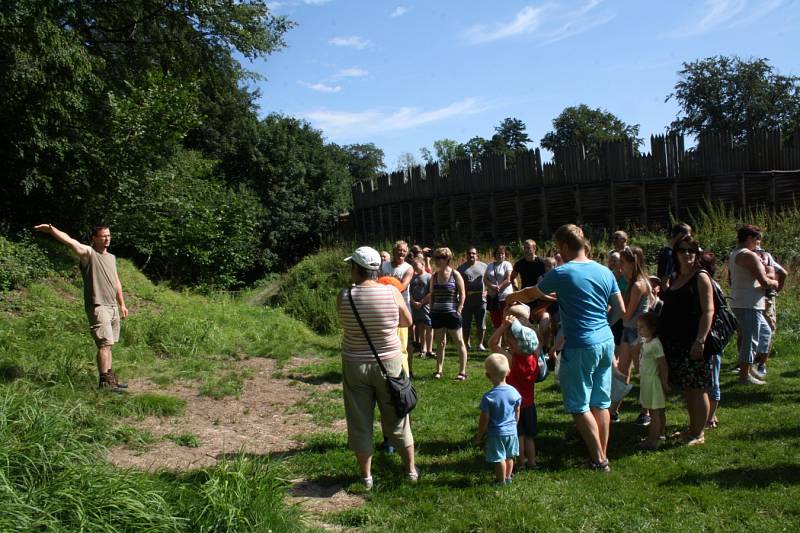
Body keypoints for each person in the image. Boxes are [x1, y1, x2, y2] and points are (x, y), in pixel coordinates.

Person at [506, 224, 624, 471]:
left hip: (581, 344)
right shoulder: (605, 271)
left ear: (565, 246)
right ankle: (600, 456)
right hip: (605, 341)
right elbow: (620, 310)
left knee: (579, 406)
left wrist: (512, 297)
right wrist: (604, 325)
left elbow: (532, 294)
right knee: (601, 402)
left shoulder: (563, 272)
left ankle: (599, 459)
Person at [337, 246, 418, 489]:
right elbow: (407, 321)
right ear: (376, 270)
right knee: (398, 418)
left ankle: (366, 477)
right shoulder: (392, 293)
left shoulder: (344, 295)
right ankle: (411, 470)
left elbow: (344, 321)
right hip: (389, 363)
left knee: (359, 420)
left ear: (355, 269)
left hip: (354, 363)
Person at [33, 224, 129, 390]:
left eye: (109, 236)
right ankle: (104, 382)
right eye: (103, 236)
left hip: (112, 306)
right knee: (104, 344)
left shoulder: (111, 258)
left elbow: (116, 282)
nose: (107, 239)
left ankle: (110, 379)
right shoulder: (88, 254)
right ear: (94, 238)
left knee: (109, 344)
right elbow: (70, 241)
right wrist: (51, 229)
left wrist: (122, 304)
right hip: (98, 306)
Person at [659, 235, 713, 446]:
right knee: (688, 388)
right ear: (676, 253)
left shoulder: (700, 277)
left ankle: (699, 434)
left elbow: (708, 310)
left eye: (691, 250)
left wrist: (700, 340)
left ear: (697, 254)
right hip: (676, 343)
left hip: (694, 341)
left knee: (698, 388)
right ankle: (692, 429)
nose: (687, 254)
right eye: (682, 250)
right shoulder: (674, 277)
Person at [488, 308, 540, 471]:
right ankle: (532, 463)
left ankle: (521, 463)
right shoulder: (534, 359)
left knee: (519, 435)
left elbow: (492, 343)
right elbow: (535, 342)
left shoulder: (511, 360)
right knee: (530, 437)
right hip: (530, 405)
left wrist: (503, 326)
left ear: (513, 344)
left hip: (514, 406)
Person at [729, 225, 779, 385]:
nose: (759, 243)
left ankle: (751, 368)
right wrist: (775, 281)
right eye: (757, 240)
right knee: (750, 340)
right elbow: (765, 280)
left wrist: (768, 275)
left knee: (765, 333)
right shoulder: (748, 255)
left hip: (748, 302)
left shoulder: (736, 253)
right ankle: (744, 376)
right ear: (750, 238)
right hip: (747, 303)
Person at [611, 246, 652, 425]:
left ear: (632, 263)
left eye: (623, 262)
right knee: (622, 372)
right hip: (628, 331)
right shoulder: (633, 281)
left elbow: (626, 314)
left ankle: (647, 412)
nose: (620, 266)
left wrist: (614, 301)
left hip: (637, 333)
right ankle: (613, 411)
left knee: (643, 373)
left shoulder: (637, 285)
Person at [424, 247, 469, 380]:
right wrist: (431, 310)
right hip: (437, 313)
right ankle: (438, 370)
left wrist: (459, 309)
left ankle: (462, 372)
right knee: (440, 343)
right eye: (436, 258)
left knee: (459, 341)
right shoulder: (434, 276)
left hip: (452, 313)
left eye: (440, 258)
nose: (437, 261)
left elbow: (462, 294)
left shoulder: (455, 274)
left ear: (447, 259)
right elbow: (432, 295)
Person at [476, 353, 521, 485]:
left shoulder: (489, 397)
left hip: (496, 433)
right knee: (509, 456)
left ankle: (500, 481)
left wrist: (480, 435)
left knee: (499, 458)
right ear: (508, 372)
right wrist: (515, 423)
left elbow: (485, 418)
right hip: (512, 431)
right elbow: (517, 410)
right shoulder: (514, 392)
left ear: (487, 375)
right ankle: (508, 478)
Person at [511, 239, 555, 349]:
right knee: (523, 324)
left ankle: (544, 347)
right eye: (525, 248)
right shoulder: (519, 263)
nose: (526, 250)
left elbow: (549, 276)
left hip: (541, 298)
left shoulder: (541, 262)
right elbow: (512, 277)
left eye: (528, 248)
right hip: (525, 298)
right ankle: (526, 347)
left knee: (544, 325)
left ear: (534, 249)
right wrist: (516, 288)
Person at [697, 251, 723, 429]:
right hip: (706, 337)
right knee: (708, 377)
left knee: (712, 378)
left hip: (711, 339)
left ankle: (710, 417)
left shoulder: (710, 285)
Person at [636, 312, 670, 450]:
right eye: (638, 327)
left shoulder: (656, 344)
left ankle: (652, 440)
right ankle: (660, 434)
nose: (639, 330)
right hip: (646, 381)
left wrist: (664, 382)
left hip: (653, 382)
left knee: (655, 412)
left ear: (653, 328)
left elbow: (663, 365)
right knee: (657, 410)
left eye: (642, 327)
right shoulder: (646, 342)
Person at [753, 245, 787, 375]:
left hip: (765, 298)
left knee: (767, 330)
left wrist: (774, 290)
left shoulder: (766, 258)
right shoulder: (745, 257)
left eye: (759, 251)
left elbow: (782, 273)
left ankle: (761, 364)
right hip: (753, 299)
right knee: (751, 331)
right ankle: (750, 363)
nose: (758, 253)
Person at [457, 247, 488, 351]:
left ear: (477, 255)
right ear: (466, 255)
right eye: (469, 253)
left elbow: (489, 280)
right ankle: (466, 344)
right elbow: (457, 284)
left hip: (481, 300)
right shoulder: (461, 269)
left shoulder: (484, 266)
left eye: (473, 253)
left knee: (481, 323)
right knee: (466, 323)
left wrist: (487, 291)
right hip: (467, 300)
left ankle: (480, 344)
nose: (471, 255)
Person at [484, 245, 514, 329]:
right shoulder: (490, 265)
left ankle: (507, 341)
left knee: (506, 321)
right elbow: (485, 279)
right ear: (495, 254)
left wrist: (498, 287)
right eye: (498, 253)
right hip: (493, 297)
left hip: (505, 297)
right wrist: (492, 286)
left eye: (502, 253)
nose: (500, 255)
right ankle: (498, 341)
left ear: (505, 255)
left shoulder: (507, 264)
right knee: (496, 322)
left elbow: (508, 279)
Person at [657, 222, 692, 290]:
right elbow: (665, 283)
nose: (689, 239)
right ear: (680, 235)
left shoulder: (671, 252)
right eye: (688, 237)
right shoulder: (669, 255)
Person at [409, 259, 433, 359]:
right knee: (420, 328)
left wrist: (422, 302)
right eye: (413, 264)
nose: (414, 266)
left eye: (416, 264)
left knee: (429, 327)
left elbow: (431, 292)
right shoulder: (412, 278)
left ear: (422, 264)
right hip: (415, 307)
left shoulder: (429, 277)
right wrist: (413, 302)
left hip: (426, 306)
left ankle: (429, 350)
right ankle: (423, 349)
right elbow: (409, 291)